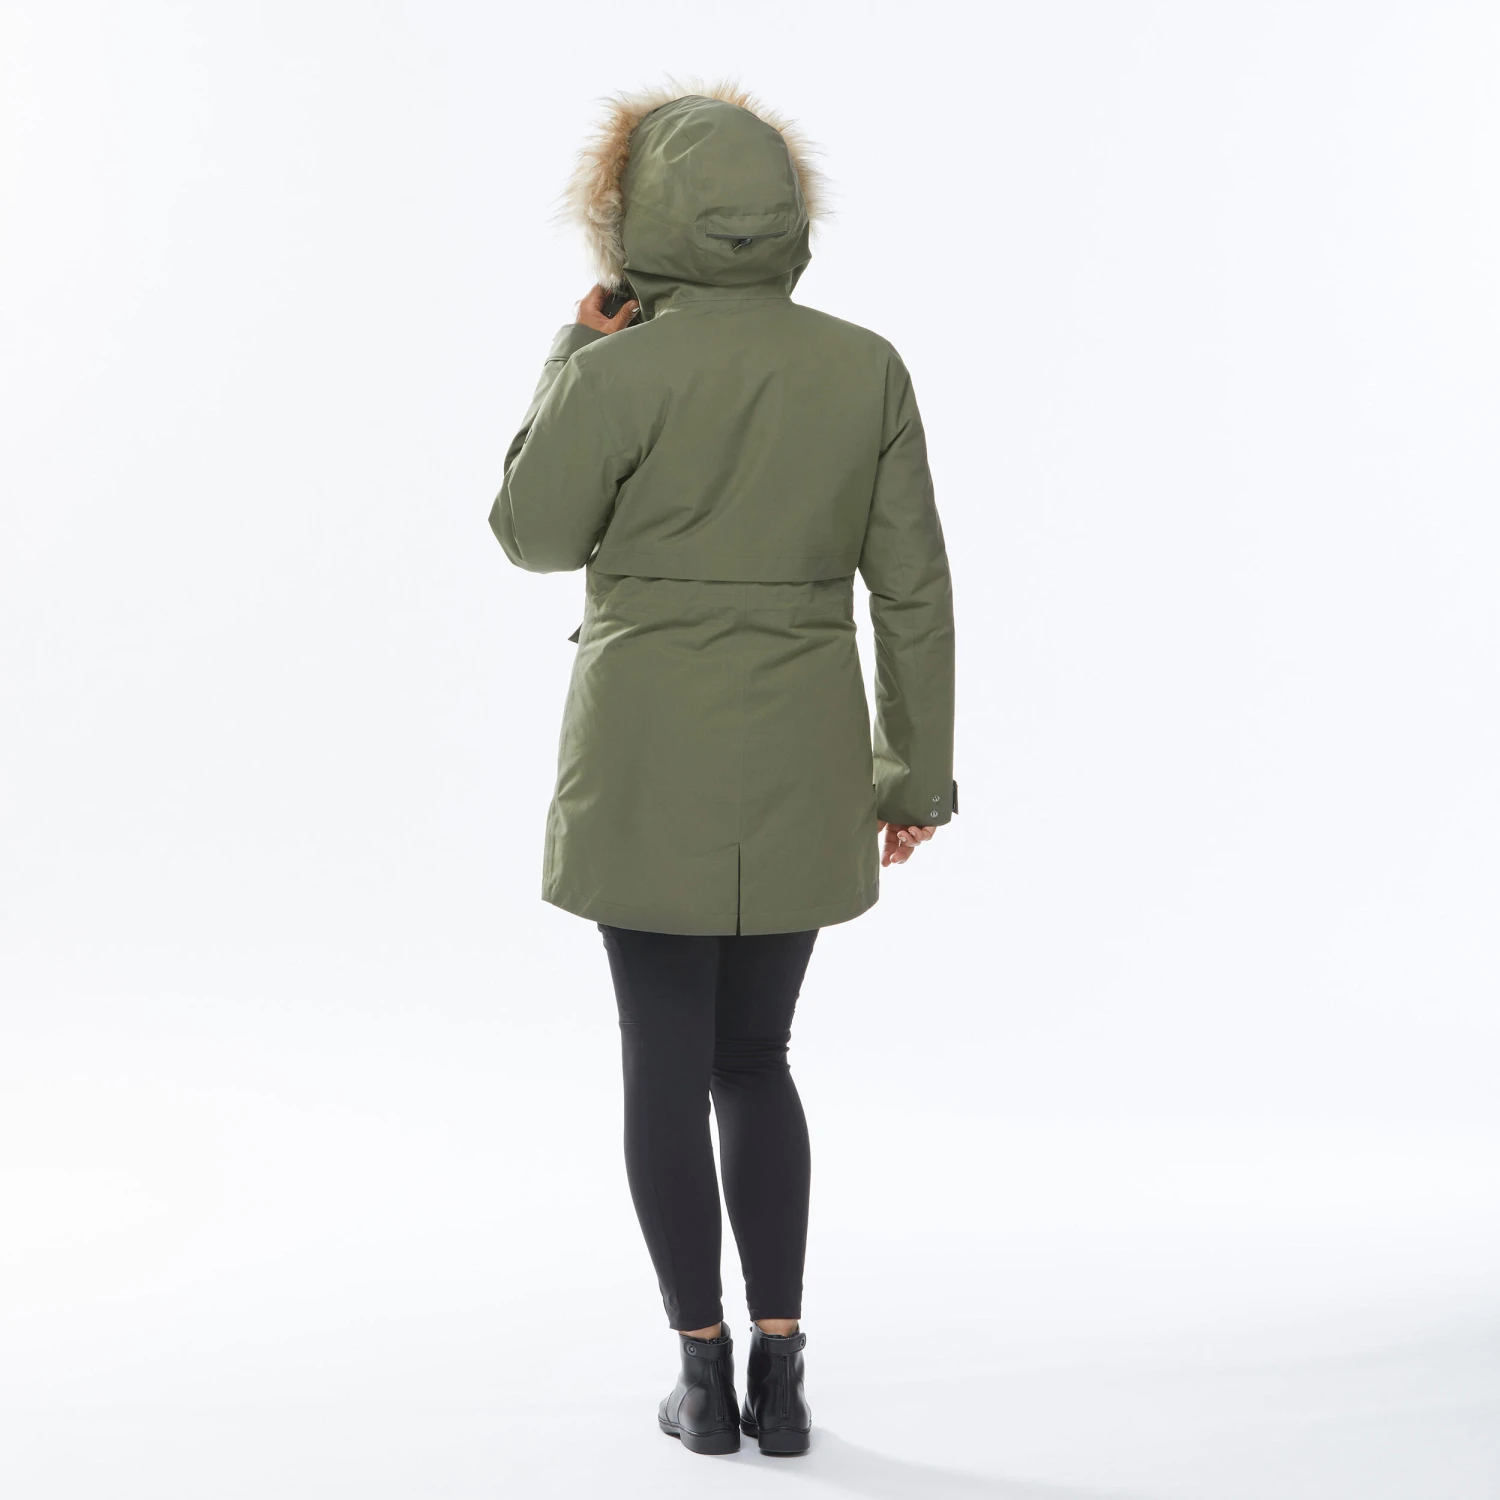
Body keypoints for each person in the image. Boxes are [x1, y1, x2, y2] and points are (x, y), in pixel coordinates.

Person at [488, 81, 956, 1458]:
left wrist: (570, 353)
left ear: (634, 220)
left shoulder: (618, 372)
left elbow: (531, 533)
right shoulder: (865, 368)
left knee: (662, 1065)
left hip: (646, 751)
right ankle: (783, 1369)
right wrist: (912, 778)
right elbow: (914, 593)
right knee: (756, 1057)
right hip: (804, 746)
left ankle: (700, 1379)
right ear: (785, 215)